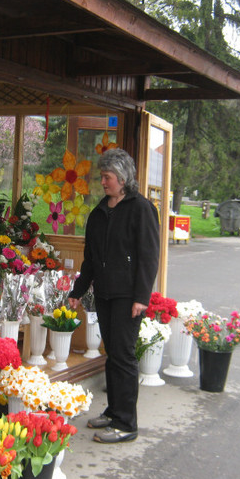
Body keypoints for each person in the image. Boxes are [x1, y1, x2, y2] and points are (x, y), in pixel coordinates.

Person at [68, 148, 160, 444]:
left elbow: (149, 256)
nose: (103, 182)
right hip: (106, 294)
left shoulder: (141, 208)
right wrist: (78, 291)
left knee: (123, 356)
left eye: (107, 177)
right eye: (102, 176)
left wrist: (141, 297)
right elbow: (91, 259)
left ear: (122, 179)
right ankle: (113, 411)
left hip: (128, 296)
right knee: (112, 354)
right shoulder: (99, 211)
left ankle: (126, 423)